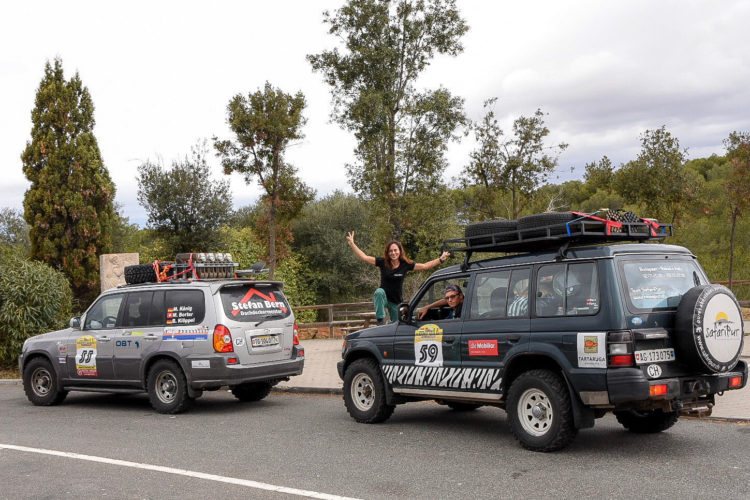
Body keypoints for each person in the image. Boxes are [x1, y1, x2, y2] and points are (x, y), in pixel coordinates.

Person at [347, 231, 450, 325]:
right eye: (390, 251)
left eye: (395, 250)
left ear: (400, 251)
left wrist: (440, 259)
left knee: (397, 326)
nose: (393, 253)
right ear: (388, 252)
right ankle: (380, 321)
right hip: (384, 298)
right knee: (379, 292)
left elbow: (425, 266)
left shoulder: (405, 264)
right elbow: (365, 257)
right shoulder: (383, 262)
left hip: (395, 302)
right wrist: (352, 244)